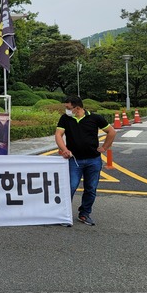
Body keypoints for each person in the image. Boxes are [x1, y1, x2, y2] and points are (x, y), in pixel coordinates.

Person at [55, 96, 116, 226]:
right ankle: (64, 214)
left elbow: (111, 132)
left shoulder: (95, 118)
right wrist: (64, 149)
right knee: (70, 187)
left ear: (77, 108)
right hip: (74, 160)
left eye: (68, 108)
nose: (66, 110)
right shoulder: (65, 119)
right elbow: (58, 135)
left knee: (91, 188)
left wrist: (104, 147)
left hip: (93, 160)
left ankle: (84, 213)